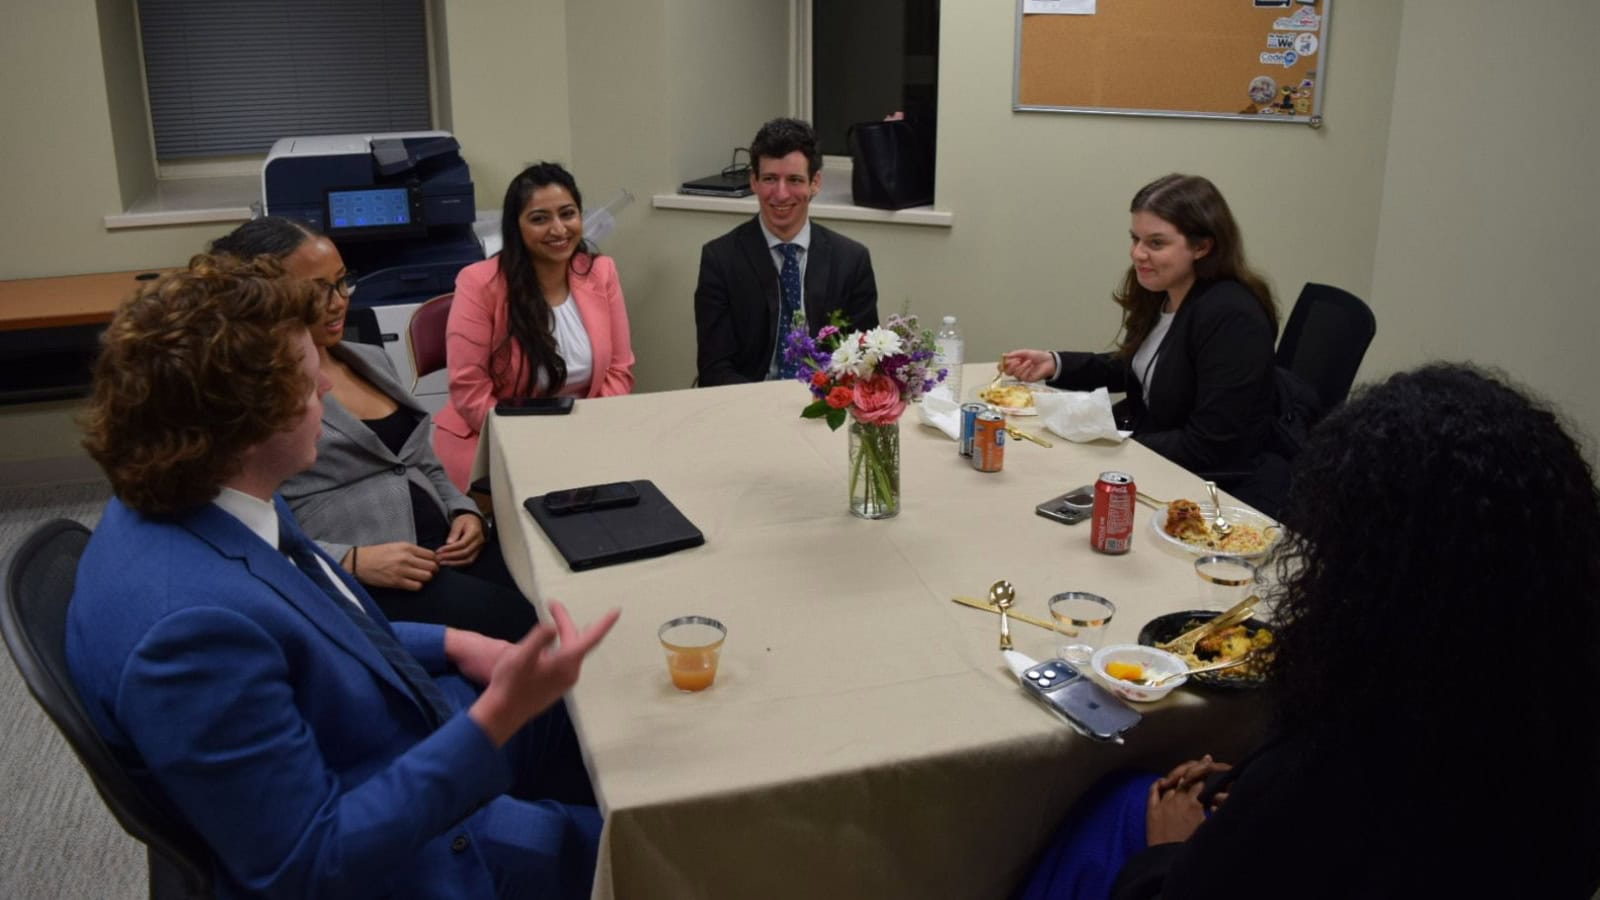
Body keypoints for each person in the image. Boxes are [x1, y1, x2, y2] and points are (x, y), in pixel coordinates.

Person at [67, 254, 621, 900]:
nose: (327, 393)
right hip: (404, 846)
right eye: (308, 386)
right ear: (244, 423)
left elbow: (322, 623)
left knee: (608, 707)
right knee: (640, 842)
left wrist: (452, 643)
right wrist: (494, 721)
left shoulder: (206, 488)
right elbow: (309, 864)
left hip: (386, 732)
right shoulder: (189, 635)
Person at [1017, 364, 1600, 900]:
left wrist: (1173, 845)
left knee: (1105, 808)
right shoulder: (1550, 714)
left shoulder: (1345, 764)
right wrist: (1245, 777)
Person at [210, 217, 535, 642]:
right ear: (263, 298)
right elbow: (240, 523)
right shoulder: (255, 394)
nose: (338, 301)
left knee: (550, 594)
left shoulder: (369, 359)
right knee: (525, 627)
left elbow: (422, 461)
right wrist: (348, 560)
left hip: (444, 547)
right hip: (373, 572)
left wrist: (464, 511)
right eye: (317, 290)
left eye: (343, 282)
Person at [1001, 174, 1283, 514]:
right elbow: (1140, 365)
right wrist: (1055, 363)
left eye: (1156, 243)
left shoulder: (1231, 317)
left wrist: (1113, 447)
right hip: (1158, 458)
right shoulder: (1166, 292)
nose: (1138, 254)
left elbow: (1212, 445)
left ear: (1202, 246)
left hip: (1208, 491)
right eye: (1135, 239)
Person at [435, 163, 635, 489]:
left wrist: (586, 435)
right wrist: (535, 447)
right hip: (496, 440)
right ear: (517, 227)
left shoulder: (601, 272)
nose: (558, 229)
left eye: (568, 214)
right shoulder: (478, 283)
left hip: (583, 436)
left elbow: (619, 371)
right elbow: (470, 390)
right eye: (540, 218)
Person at [694, 117, 879, 386]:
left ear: (814, 183)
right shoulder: (720, 259)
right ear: (754, 181)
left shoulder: (851, 261)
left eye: (794, 180)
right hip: (747, 406)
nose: (781, 194)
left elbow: (865, 360)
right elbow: (714, 369)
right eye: (770, 179)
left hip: (826, 408)